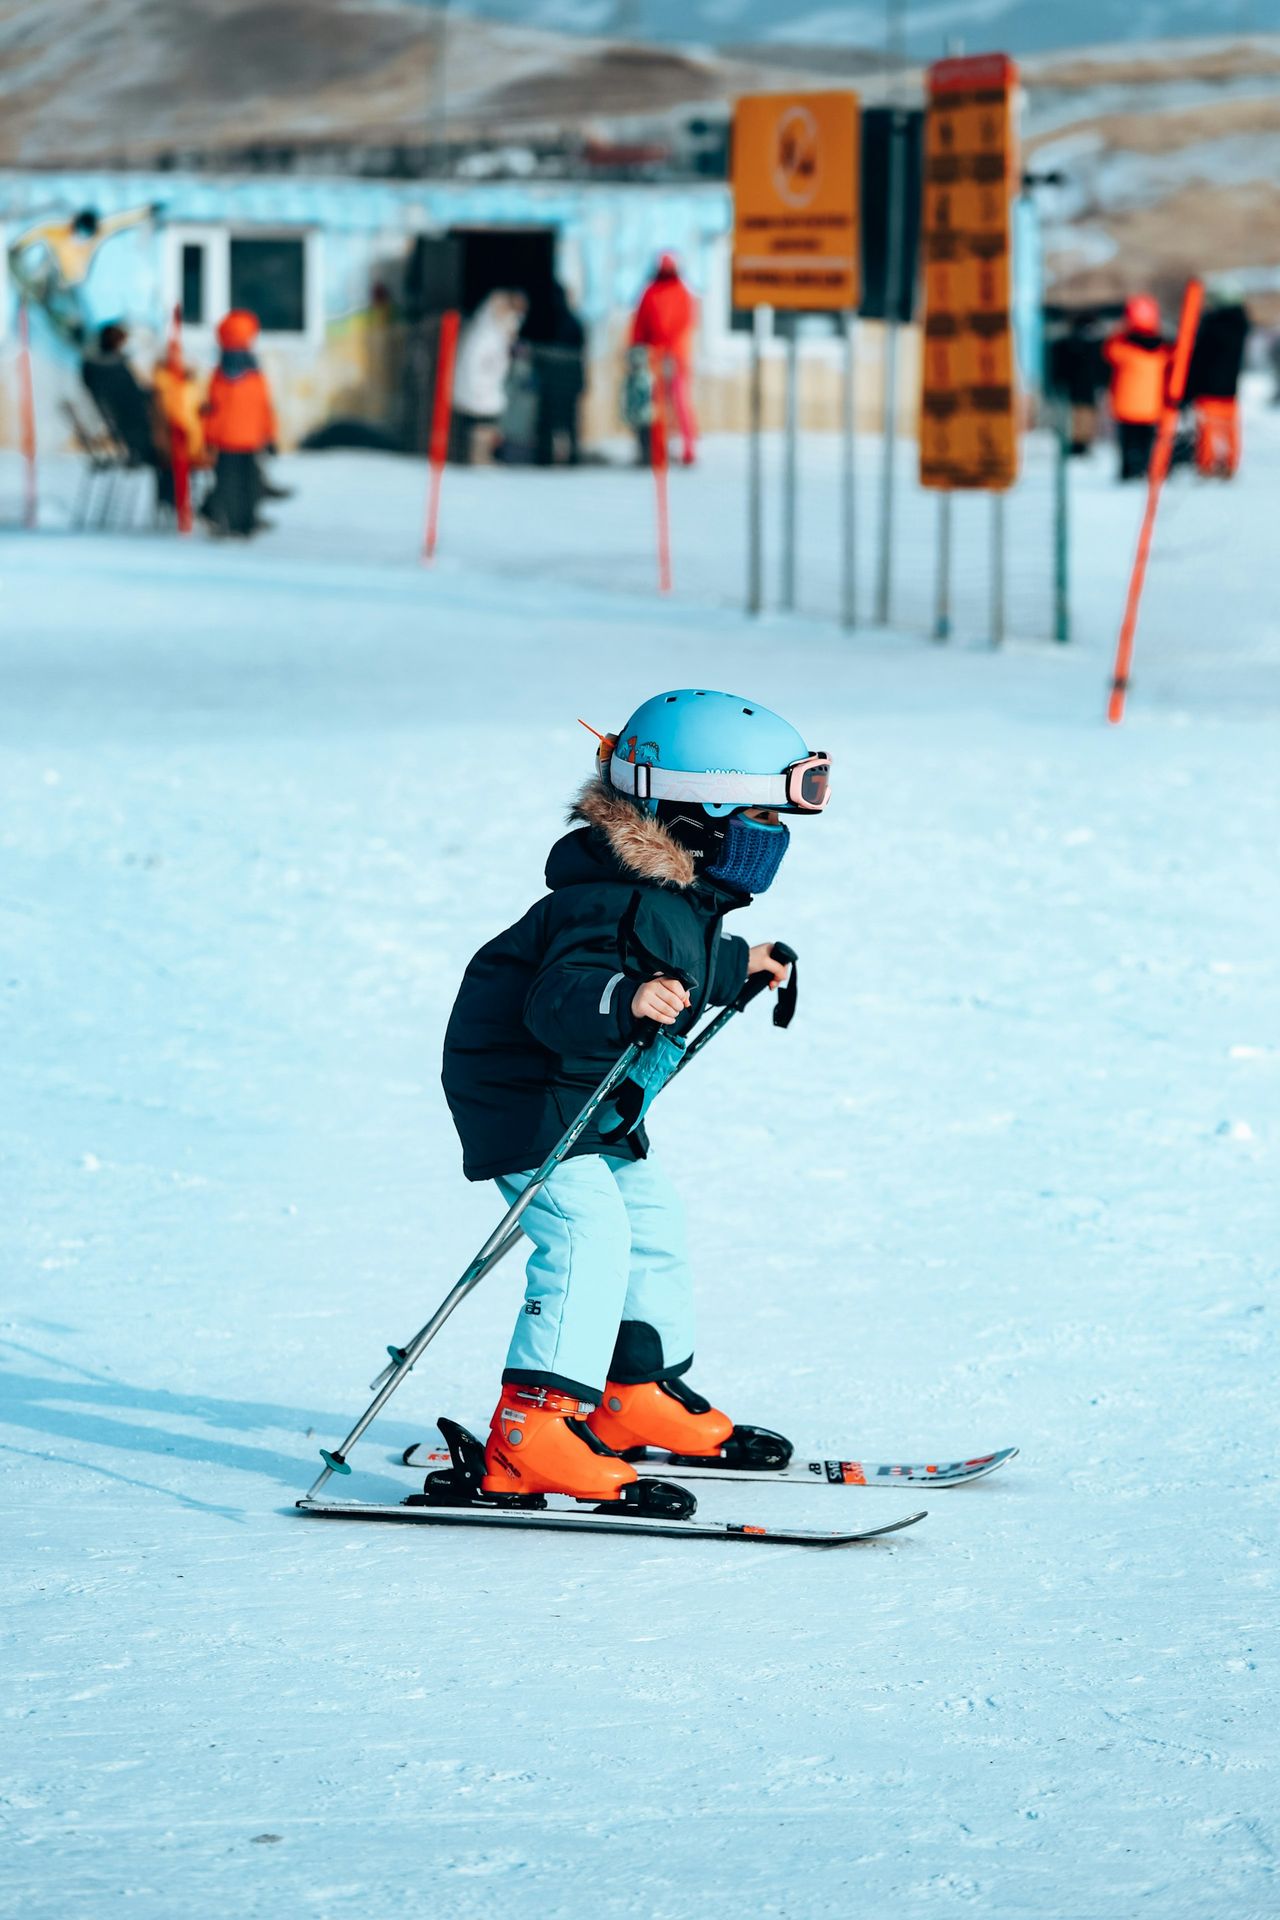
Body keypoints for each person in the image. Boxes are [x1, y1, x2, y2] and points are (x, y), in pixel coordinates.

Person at [440, 690, 831, 1504]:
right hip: (530, 1094)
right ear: (698, 813)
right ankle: (530, 1433)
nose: (773, 837)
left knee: (649, 1224)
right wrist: (623, 999)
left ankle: (630, 1396)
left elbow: (682, 958)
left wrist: (740, 967)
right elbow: (558, 998)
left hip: (594, 1101)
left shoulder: (674, 899)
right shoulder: (609, 900)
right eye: (760, 816)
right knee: (587, 1234)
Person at [8, 204, 159, 347]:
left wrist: (145, 212)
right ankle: (41, 298)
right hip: (55, 277)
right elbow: (38, 231)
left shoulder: (98, 232)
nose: (81, 243)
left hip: (73, 283)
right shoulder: (57, 232)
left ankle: (72, 329)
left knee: (71, 310)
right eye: (79, 237)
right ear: (73, 228)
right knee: (49, 266)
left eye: (85, 239)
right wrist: (20, 244)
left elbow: (118, 222)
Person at [202, 310, 278, 537]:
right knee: (249, 481)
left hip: (225, 439)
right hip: (251, 437)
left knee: (227, 482)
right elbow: (264, 406)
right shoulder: (255, 373)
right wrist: (269, 435)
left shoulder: (219, 373)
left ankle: (226, 519)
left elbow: (214, 408)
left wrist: (209, 436)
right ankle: (247, 522)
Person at [631, 253, 698, 466]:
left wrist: (669, 349)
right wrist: (637, 349)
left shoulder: (682, 293)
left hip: (675, 357)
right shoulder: (650, 293)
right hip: (654, 357)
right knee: (656, 404)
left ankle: (688, 447)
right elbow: (640, 324)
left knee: (679, 402)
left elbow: (684, 323)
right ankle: (658, 447)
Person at [451, 291, 528, 463]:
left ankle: (479, 456)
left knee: (483, 423)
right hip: (479, 390)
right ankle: (478, 457)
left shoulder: (492, 330)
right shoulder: (487, 333)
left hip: (483, 389)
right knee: (482, 424)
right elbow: (483, 363)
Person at [1184, 281, 1251, 479]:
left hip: (1209, 388)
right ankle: (1229, 464)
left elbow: (1200, 358)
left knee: (1209, 430)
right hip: (1230, 388)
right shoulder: (1240, 324)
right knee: (1229, 429)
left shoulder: (1214, 326)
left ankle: (1207, 465)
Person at [1103, 295, 1170, 482]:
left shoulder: (1123, 349)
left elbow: (1109, 350)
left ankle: (1128, 472)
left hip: (1126, 405)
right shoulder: (1161, 351)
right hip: (1152, 406)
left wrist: (1120, 329)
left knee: (1127, 443)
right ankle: (1144, 470)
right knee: (1146, 442)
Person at [530, 281, 586, 467]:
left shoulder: (552, 322)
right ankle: (563, 457)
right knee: (562, 422)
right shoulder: (570, 322)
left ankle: (554, 457)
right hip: (562, 381)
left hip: (557, 381)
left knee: (555, 422)